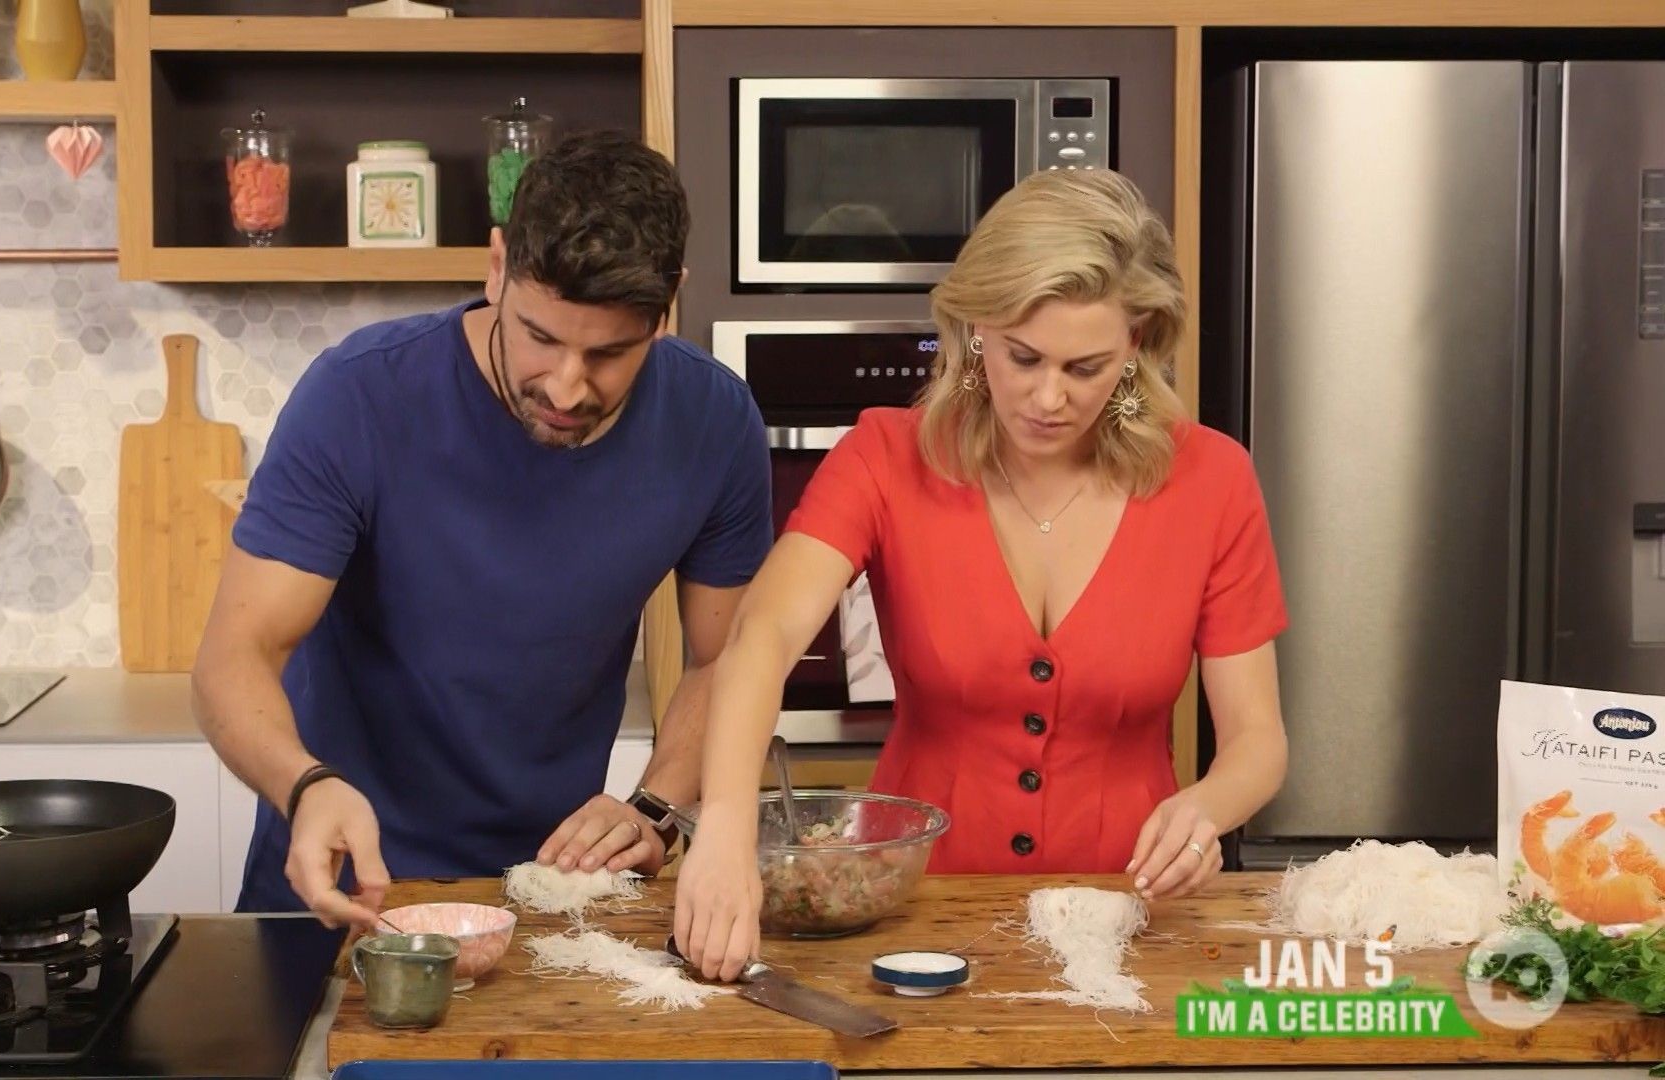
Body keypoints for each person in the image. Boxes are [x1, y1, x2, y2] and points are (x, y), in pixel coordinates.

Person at [672, 169, 1290, 981]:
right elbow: (764, 633)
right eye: (1022, 357)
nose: (1048, 397)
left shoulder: (1213, 480)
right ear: (974, 331)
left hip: (1129, 916)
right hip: (915, 910)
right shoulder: (884, 457)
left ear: (1137, 343)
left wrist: (1206, 809)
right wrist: (724, 827)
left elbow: (1257, 740)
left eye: (1086, 368)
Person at [194, 130, 772, 930]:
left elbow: (728, 658)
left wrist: (655, 807)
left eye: (609, 354)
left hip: (552, 895)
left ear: (668, 304)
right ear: (497, 267)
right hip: (343, 891)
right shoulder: (359, 397)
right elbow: (234, 656)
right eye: (541, 337)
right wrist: (305, 785)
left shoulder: (714, 422)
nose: (566, 387)